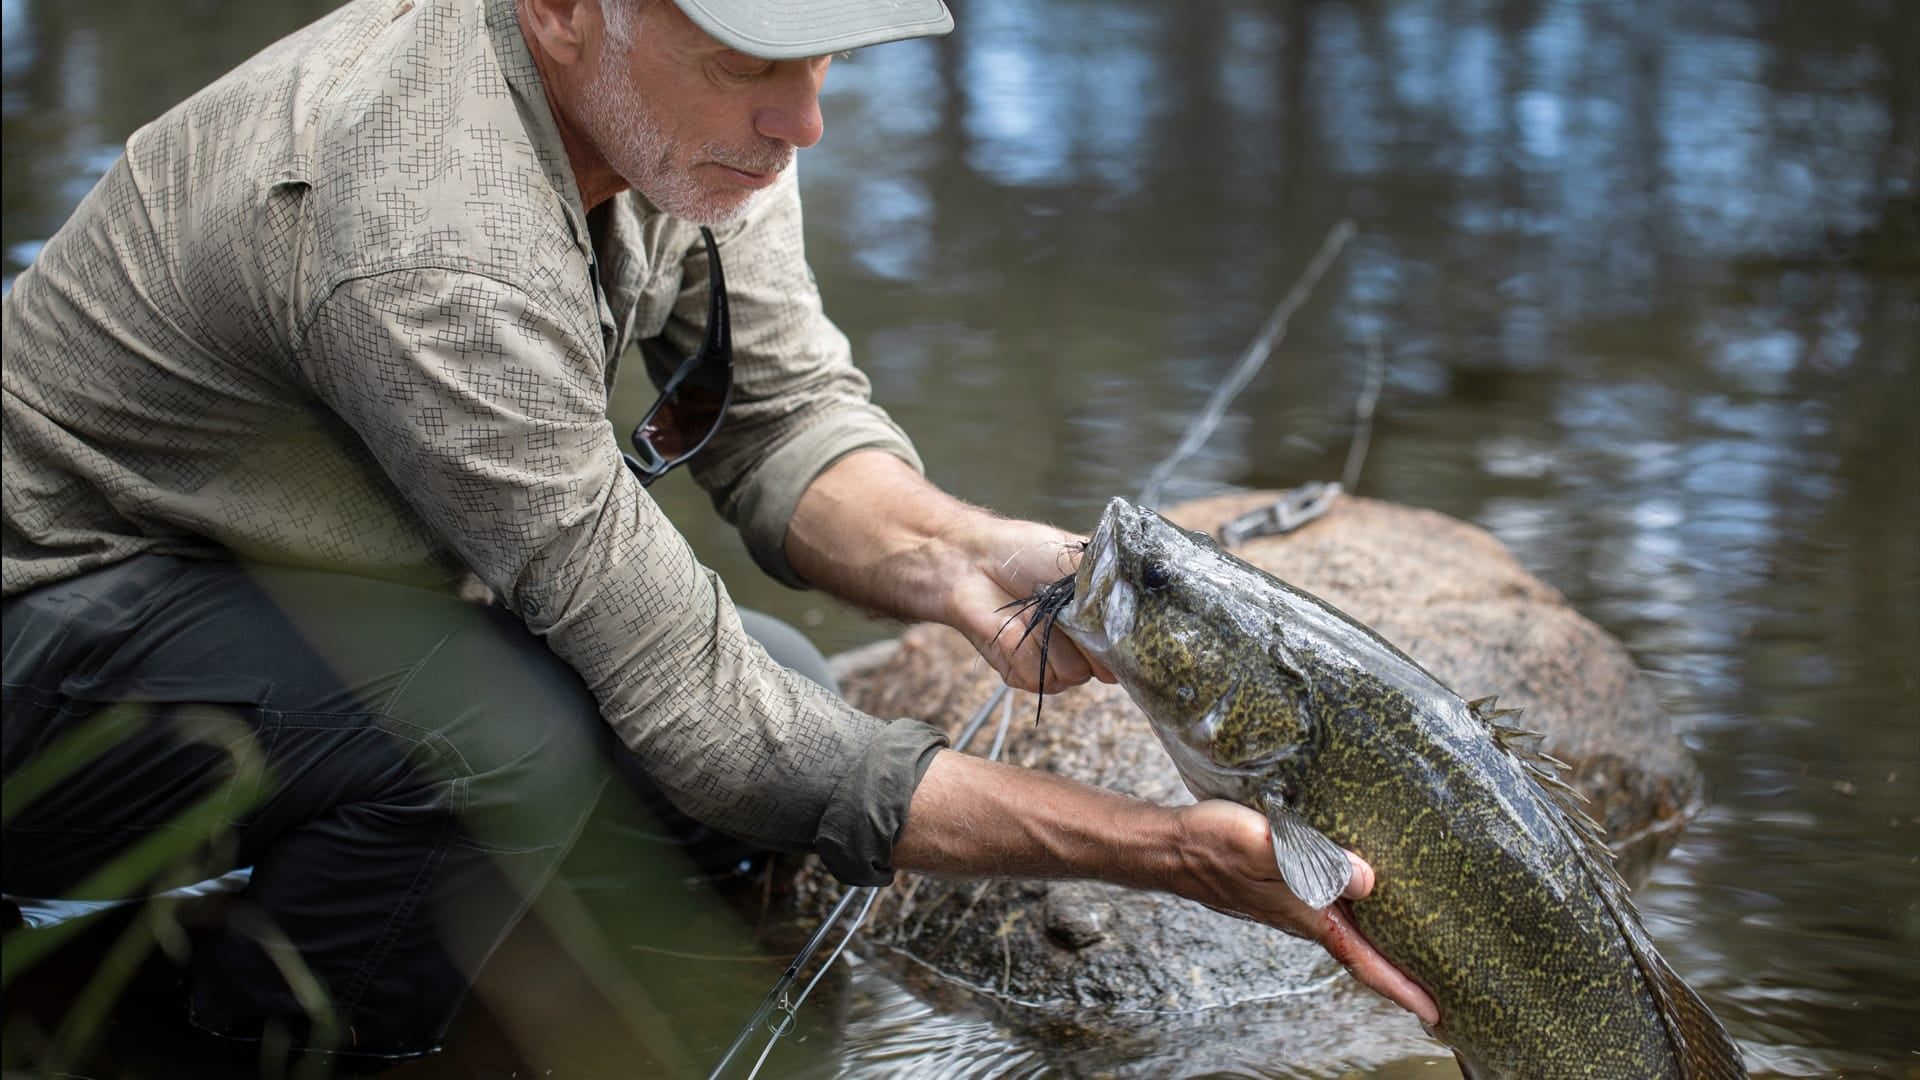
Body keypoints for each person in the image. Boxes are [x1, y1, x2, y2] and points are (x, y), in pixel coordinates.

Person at [0, 0, 1437, 1062]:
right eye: (757, 59)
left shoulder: (678, 116)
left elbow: (782, 413)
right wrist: (1171, 852)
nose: (805, 117)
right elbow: (712, 728)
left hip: (285, 596)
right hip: (58, 623)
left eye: (824, 61)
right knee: (497, 728)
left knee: (782, 701)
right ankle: (278, 1049)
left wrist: (959, 555)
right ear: (565, 14)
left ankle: (471, 1001)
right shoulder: (428, 234)